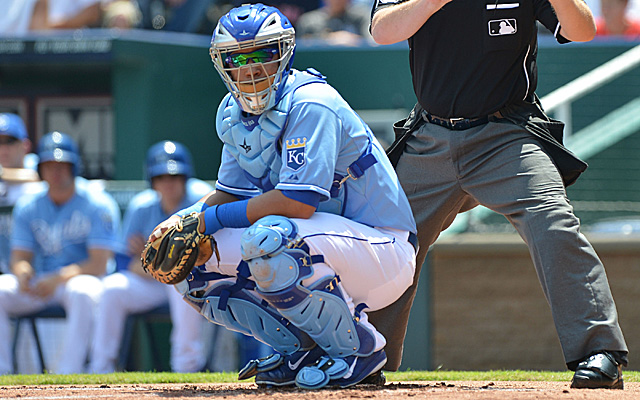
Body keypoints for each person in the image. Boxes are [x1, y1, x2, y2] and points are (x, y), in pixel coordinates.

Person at [146, 3, 417, 389]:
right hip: (322, 245)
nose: (251, 68)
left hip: (383, 249)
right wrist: (180, 223)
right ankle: (300, 347)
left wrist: (208, 221)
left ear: (284, 52)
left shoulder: (311, 101)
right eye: (238, 57)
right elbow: (227, 196)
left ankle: (359, 349)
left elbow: (297, 203)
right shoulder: (232, 114)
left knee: (271, 237)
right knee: (193, 261)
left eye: (262, 53)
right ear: (222, 62)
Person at [369, 0, 628, 390]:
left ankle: (599, 350)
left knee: (554, 223)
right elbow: (381, 31)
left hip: (506, 134)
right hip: (430, 137)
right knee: (384, 239)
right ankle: (360, 355)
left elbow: (582, 30)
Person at [0, 131, 119, 374]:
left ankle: (69, 374)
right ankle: (3, 374)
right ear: (40, 168)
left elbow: (98, 264)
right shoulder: (29, 204)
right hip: (42, 282)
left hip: (79, 281)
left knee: (83, 291)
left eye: (62, 164)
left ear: (75, 166)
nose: (55, 171)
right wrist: (23, 273)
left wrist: (58, 278)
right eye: (49, 165)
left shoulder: (97, 202)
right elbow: (20, 257)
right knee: (2, 289)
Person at [90, 141, 212, 373]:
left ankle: (187, 366)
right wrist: (161, 265)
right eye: (162, 177)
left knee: (181, 279)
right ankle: (100, 367)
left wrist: (151, 259)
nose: (169, 183)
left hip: (198, 283)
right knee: (111, 288)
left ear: (185, 178)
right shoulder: (142, 206)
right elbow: (124, 263)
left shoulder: (202, 202)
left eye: (175, 176)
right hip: (152, 284)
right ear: (152, 181)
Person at [0, 113, 44, 275]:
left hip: (39, 269)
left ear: (25, 145)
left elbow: (40, 176)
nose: (3, 149)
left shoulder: (39, 164)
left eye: (10, 142)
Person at [296, 0, 373, 46]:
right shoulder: (309, 20)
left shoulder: (362, 16)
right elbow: (304, 45)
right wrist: (329, 38)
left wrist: (352, 39)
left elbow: (371, 42)